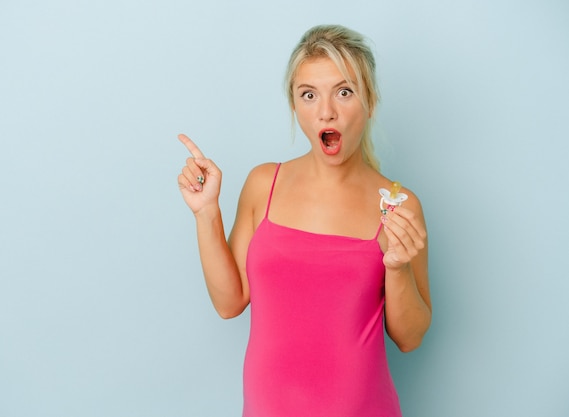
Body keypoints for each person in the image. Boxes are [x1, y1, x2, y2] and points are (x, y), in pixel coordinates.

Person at [177, 24, 431, 417]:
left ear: (370, 102)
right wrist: (207, 212)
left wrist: (396, 268)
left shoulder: (399, 205)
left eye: (344, 92)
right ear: (295, 105)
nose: (326, 111)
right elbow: (229, 303)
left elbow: (410, 338)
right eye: (308, 95)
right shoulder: (264, 185)